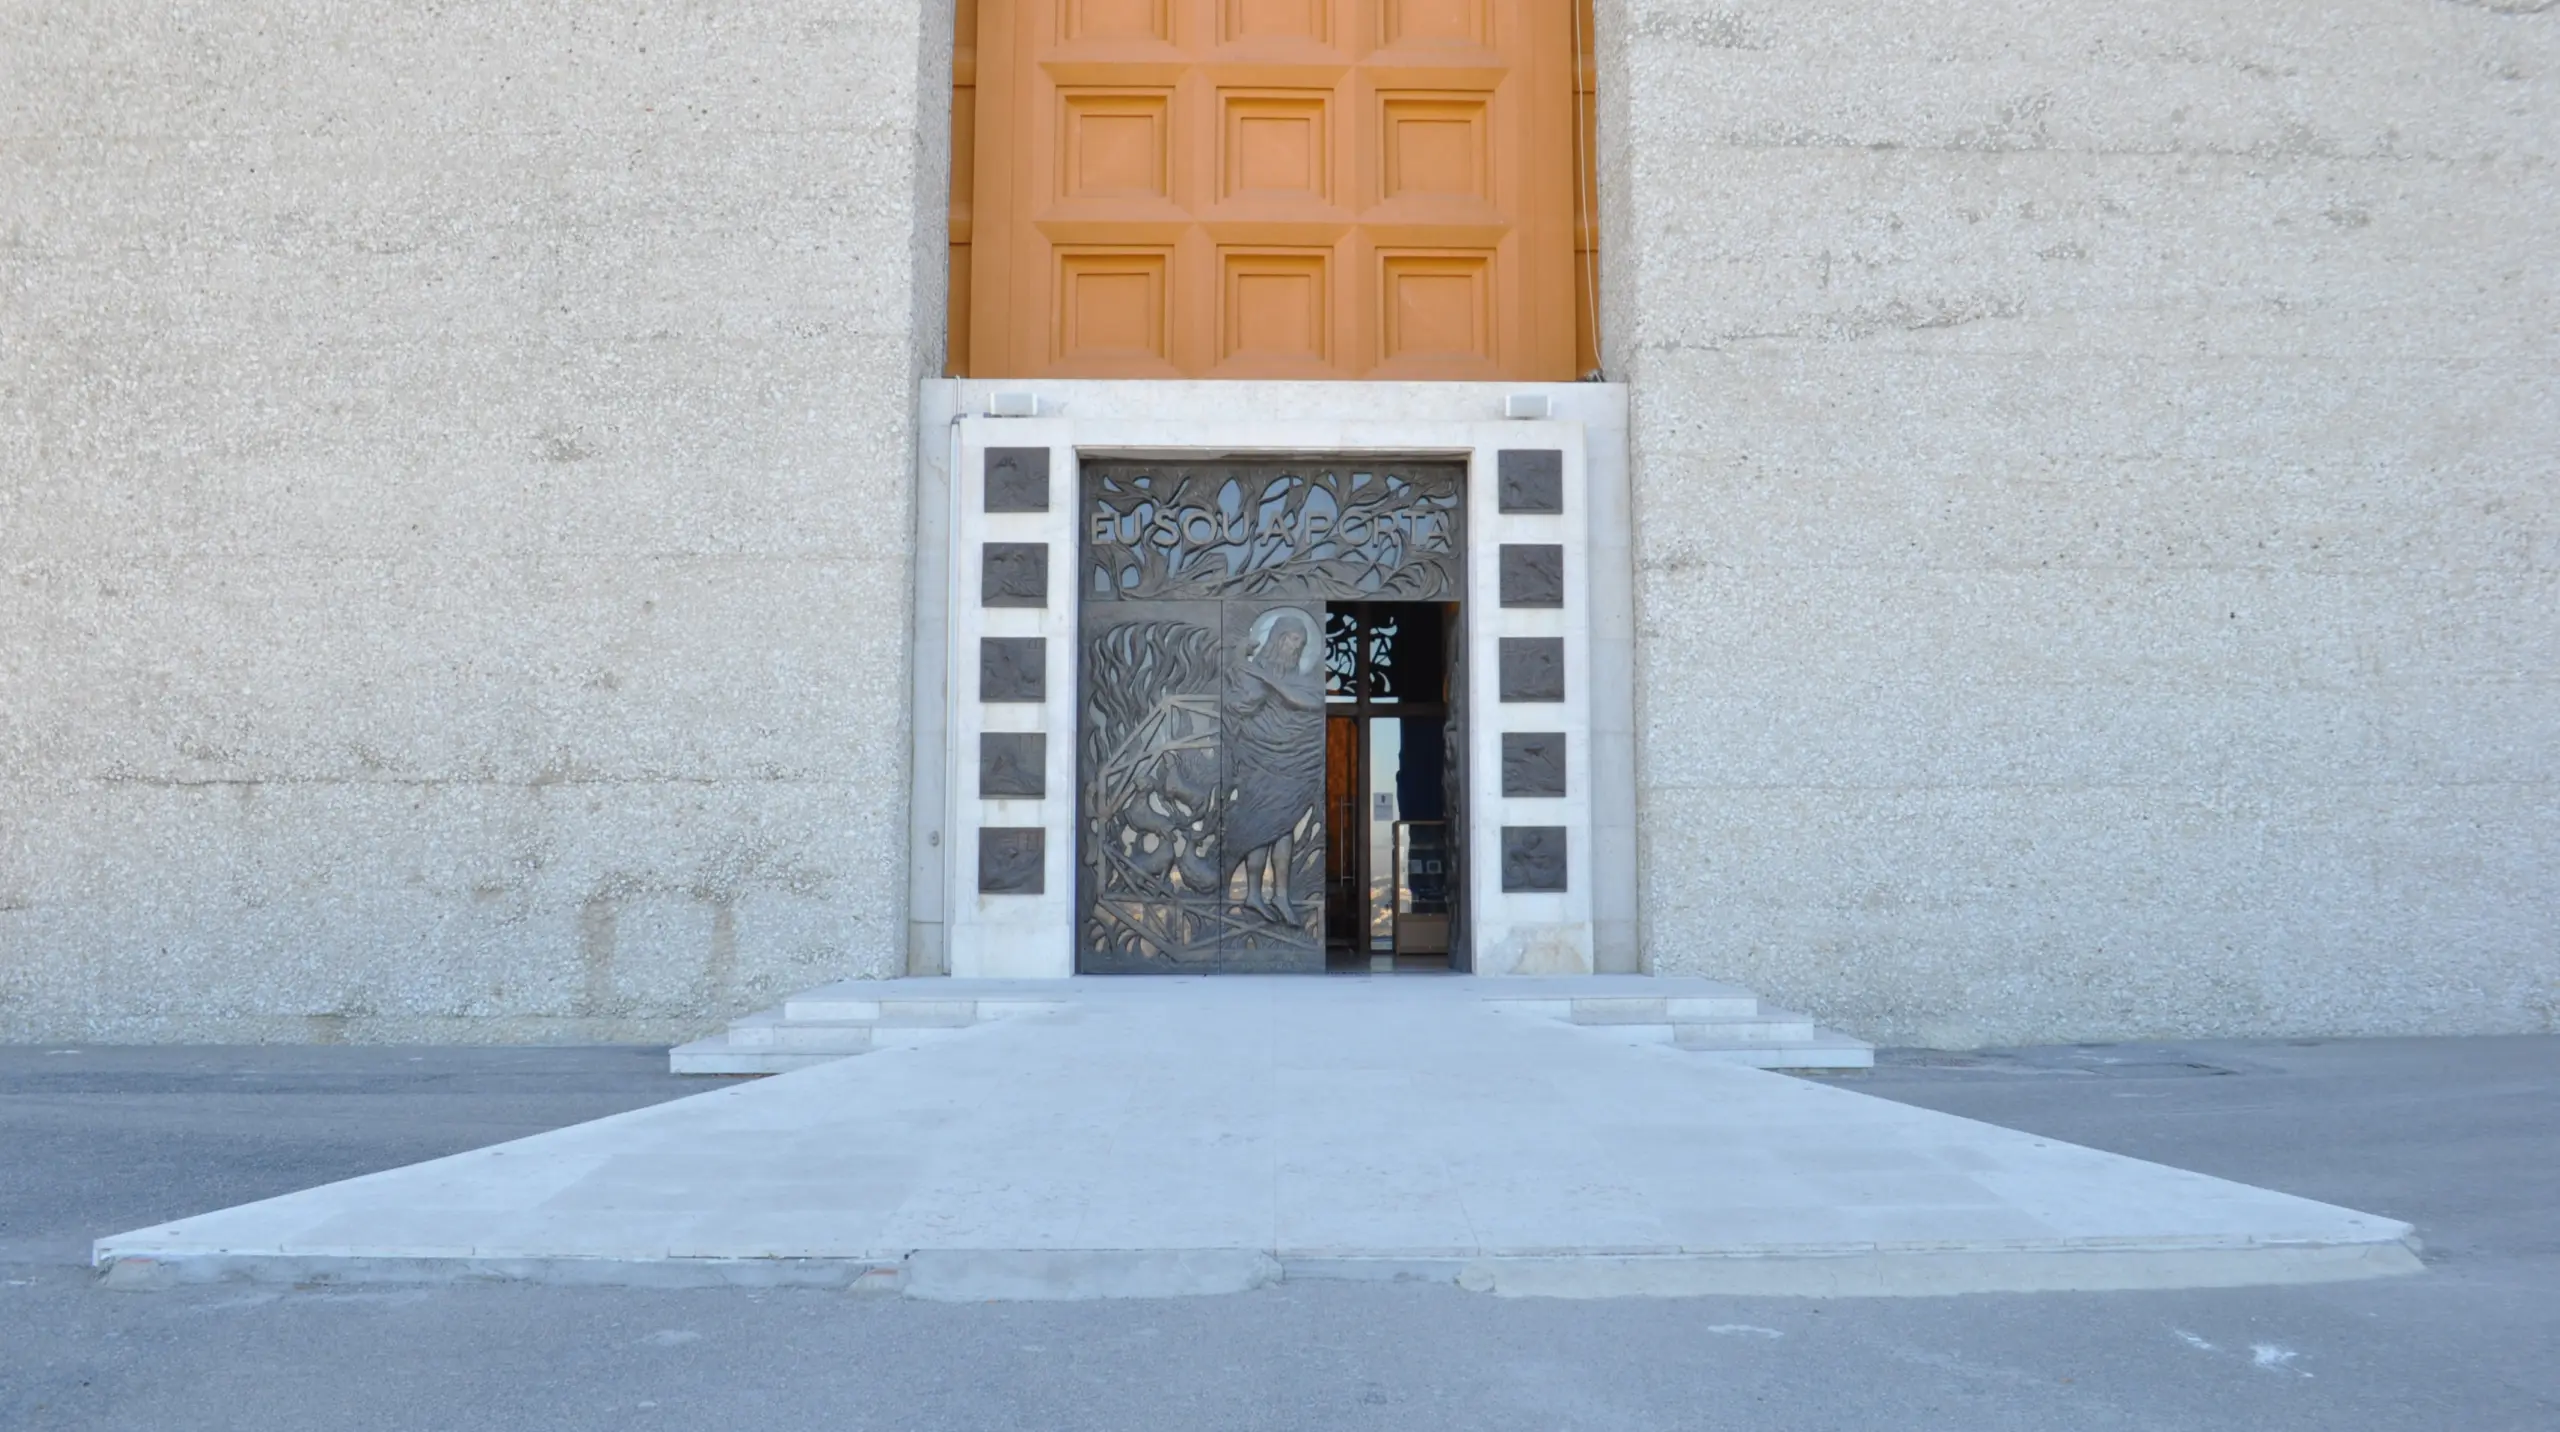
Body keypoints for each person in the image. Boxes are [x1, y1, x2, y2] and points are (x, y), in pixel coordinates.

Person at [1222, 607, 1325, 926]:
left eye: (1302, 641)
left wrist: (1268, 680)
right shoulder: (1252, 671)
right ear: (1278, 638)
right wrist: (1244, 667)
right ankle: (1254, 893)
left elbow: (1312, 703)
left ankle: (1280, 894)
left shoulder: (1300, 679)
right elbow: (1241, 704)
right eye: (1293, 638)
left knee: (1283, 827)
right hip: (1259, 760)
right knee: (1260, 827)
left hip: (1292, 763)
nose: (1296, 646)